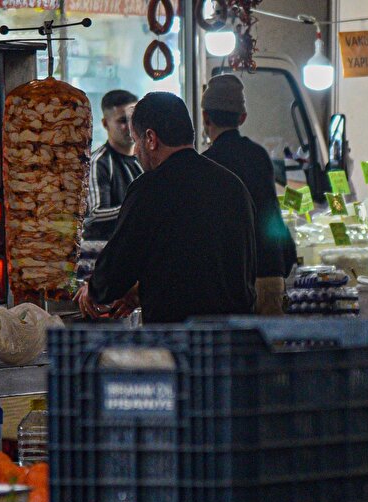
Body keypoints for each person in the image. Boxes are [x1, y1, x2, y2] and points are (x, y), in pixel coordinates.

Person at [76, 92, 255, 323]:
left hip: (179, 339)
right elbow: (200, 264)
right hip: (234, 337)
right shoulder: (233, 186)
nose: (137, 152)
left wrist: (94, 290)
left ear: (150, 138)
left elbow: (118, 265)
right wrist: (140, 293)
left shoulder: (149, 189)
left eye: (136, 141)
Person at [201, 75, 297, 315]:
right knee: (268, 351)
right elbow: (271, 214)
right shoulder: (259, 156)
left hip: (230, 280)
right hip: (269, 272)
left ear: (205, 117)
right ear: (242, 118)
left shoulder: (206, 163)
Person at [84, 90, 143, 245]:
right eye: (122, 121)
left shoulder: (145, 159)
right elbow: (94, 215)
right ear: (105, 124)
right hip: (105, 254)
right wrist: (138, 207)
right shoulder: (99, 163)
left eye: (133, 119)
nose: (130, 127)